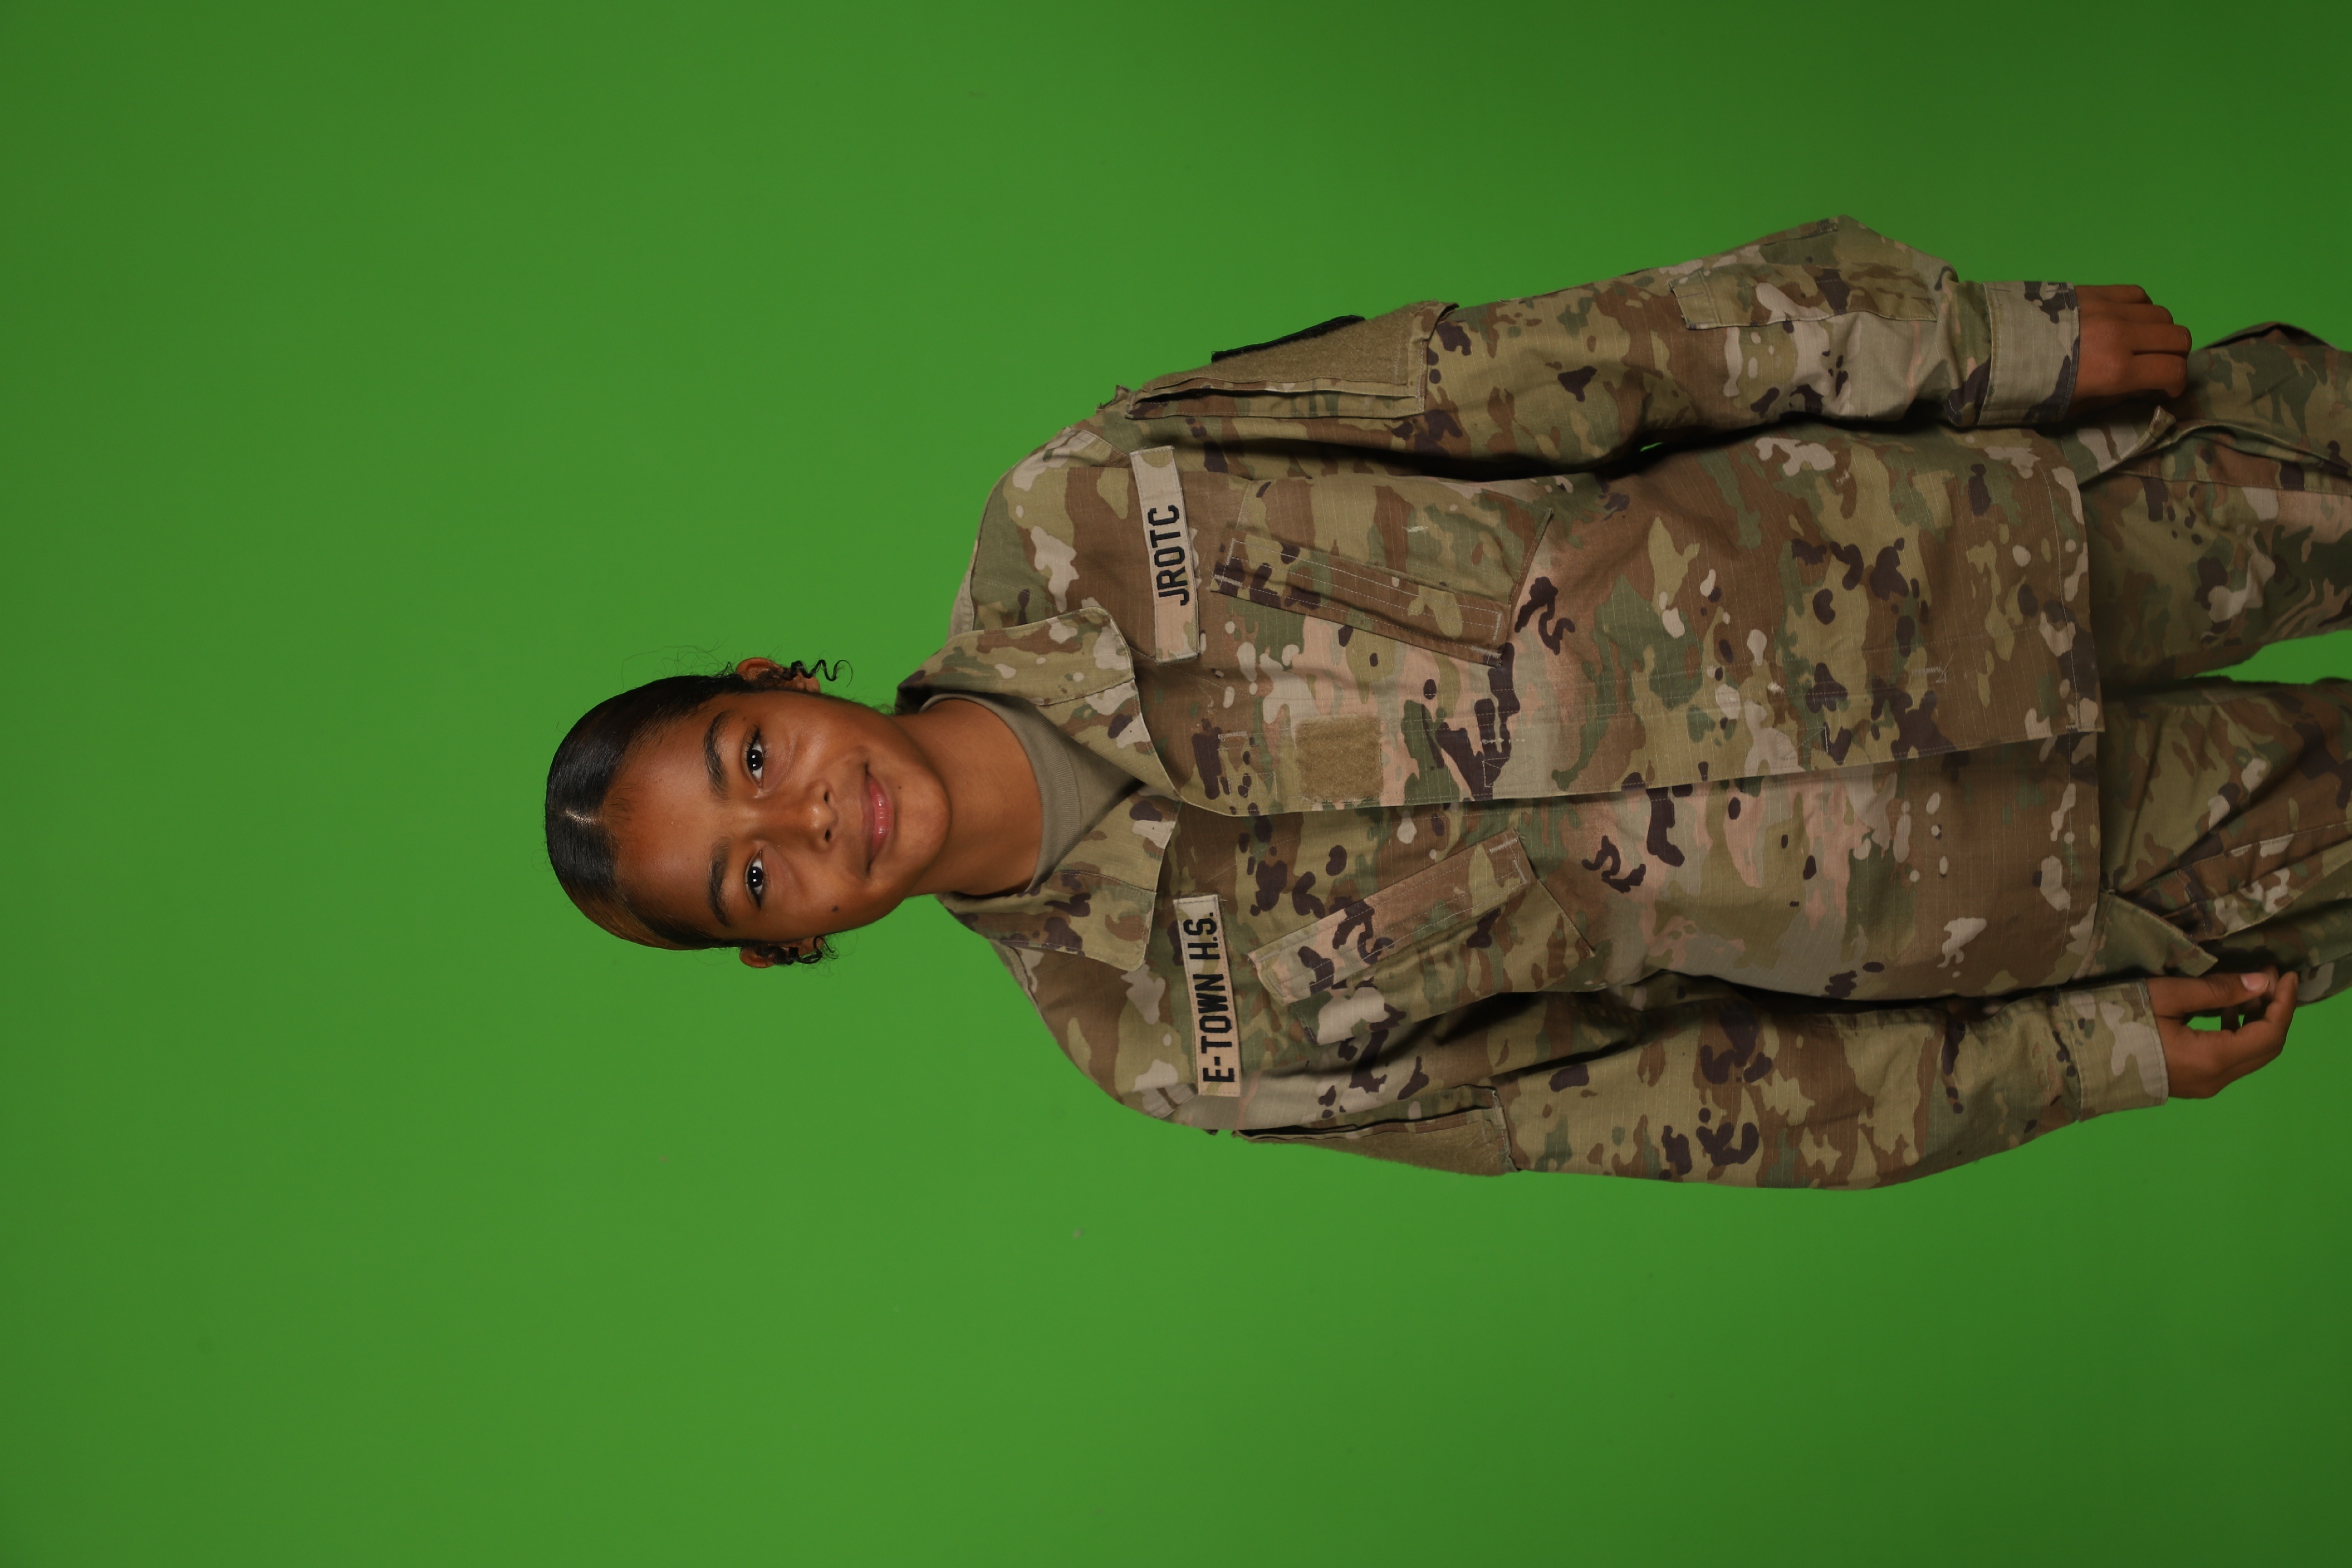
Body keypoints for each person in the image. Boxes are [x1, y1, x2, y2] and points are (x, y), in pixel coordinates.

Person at [546, 217, 2350, 1185]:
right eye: (755, 876)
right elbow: (1645, 1103)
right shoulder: (1164, 1046)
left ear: (770, 680)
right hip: (2020, 888)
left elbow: (1549, 367)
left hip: (1992, 533)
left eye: (749, 757)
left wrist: (1975, 341)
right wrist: (2080, 1059)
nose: (805, 817)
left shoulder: (1086, 510)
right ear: (789, 947)